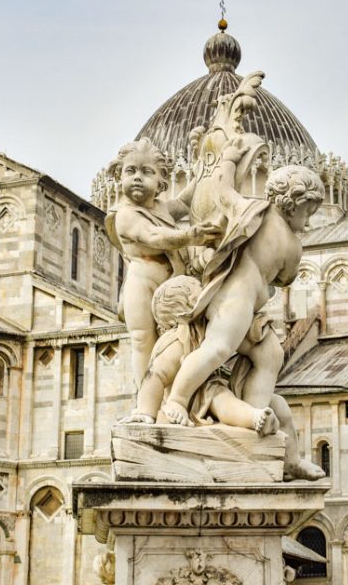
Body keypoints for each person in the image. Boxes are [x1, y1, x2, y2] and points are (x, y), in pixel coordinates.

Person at [161, 165, 325, 435]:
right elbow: (285, 278)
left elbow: (223, 191)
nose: (307, 222)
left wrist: (228, 164)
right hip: (234, 298)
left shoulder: (253, 212)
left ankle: (253, 413)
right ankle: (177, 399)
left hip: (252, 310)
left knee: (271, 355)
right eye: (308, 212)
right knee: (217, 349)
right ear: (293, 204)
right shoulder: (270, 226)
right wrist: (230, 159)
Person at [125, 275, 324, 481]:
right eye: (198, 293)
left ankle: (292, 462)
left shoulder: (217, 326)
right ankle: (254, 418)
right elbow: (155, 375)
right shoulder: (178, 341)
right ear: (183, 311)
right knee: (220, 397)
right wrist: (146, 412)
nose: (206, 293)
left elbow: (250, 346)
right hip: (200, 398)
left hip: (222, 383)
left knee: (280, 406)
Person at [104, 139, 221, 386]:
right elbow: (155, 237)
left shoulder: (161, 207)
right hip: (143, 285)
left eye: (147, 172)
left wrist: (203, 165)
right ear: (119, 175)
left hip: (169, 287)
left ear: (161, 182)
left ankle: (170, 393)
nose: (137, 177)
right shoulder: (124, 215)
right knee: (143, 341)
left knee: (175, 342)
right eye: (131, 171)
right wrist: (189, 235)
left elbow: (184, 202)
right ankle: (144, 400)